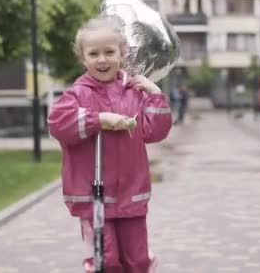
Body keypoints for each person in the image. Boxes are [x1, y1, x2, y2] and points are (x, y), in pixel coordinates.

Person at [48, 16, 172, 273]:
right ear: (83, 59)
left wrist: (155, 96)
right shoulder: (77, 94)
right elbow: (58, 124)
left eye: (109, 52)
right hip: (95, 197)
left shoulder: (134, 92)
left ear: (121, 54)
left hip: (131, 193)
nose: (102, 59)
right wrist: (99, 120)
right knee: (106, 261)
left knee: (137, 260)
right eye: (93, 54)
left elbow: (154, 131)